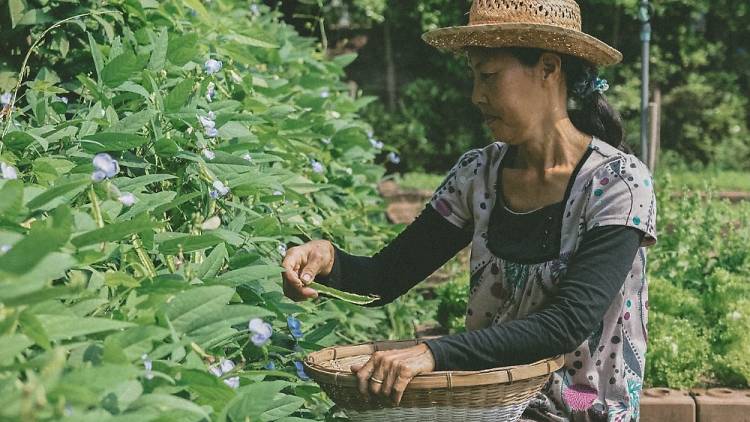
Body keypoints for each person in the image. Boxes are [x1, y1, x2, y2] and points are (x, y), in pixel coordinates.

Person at [281, 0, 657, 420]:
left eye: (490, 76)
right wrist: (328, 260)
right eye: (474, 77)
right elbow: (385, 278)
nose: (477, 95)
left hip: (583, 411)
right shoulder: (478, 175)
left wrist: (433, 353)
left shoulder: (617, 184)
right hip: (488, 407)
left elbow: (568, 323)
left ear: (549, 69)